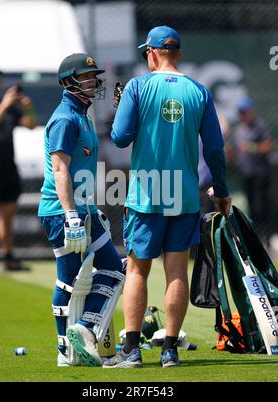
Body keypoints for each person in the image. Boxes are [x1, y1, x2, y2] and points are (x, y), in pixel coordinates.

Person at [103, 26, 231, 369]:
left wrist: (120, 111)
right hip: (185, 196)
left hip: (146, 195)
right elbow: (216, 149)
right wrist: (221, 189)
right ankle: (170, 350)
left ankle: (131, 350)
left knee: (137, 270)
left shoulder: (138, 86)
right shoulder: (198, 91)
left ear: (153, 52)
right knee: (176, 271)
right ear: (177, 52)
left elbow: (119, 138)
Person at [38, 53, 124, 367]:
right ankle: (65, 351)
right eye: (85, 76)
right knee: (68, 281)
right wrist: (71, 214)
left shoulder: (83, 113)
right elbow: (60, 170)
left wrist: (87, 209)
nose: (92, 81)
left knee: (114, 268)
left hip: (83, 209)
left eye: (93, 76)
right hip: (61, 212)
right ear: (68, 82)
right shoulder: (65, 117)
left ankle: (84, 329)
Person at [0, 71, 36, 273]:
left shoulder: (10, 109)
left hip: (9, 167)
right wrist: (4, 104)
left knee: (8, 214)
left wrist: (28, 109)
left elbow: (30, 125)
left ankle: (8, 256)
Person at [233, 97, 274, 246]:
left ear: (251, 111)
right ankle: (256, 238)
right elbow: (236, 151)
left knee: (261, 207)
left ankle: (266, 239)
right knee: (252, 207)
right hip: (246, 174)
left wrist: (252, 148)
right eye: (240, 112)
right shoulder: (239, 130)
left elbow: (268, 146)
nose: (242, 115)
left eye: (245, 111)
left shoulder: (260, 126)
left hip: (261, 174)